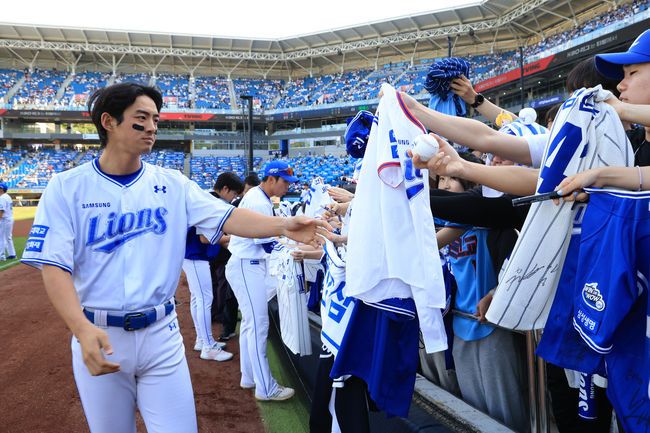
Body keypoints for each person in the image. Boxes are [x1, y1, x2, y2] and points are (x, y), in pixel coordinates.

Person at [20, 82, 329, 433]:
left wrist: (284, 224)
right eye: (141, 118)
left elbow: (228, 217)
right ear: (108, 121)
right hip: (101, 333)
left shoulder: (172, 183)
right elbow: (54, 267)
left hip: (161, 335)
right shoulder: (66, 187)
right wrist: (80, 328)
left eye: (155, 118)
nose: (152, 126)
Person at [225, 160, 299, 402]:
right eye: (284, 182)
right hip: (248, 265)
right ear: (271, 178)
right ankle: (265, 388)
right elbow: (266, 243)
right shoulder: (258, 200)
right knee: (258, 326)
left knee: (250, 325)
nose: (287, 186)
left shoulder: (261, 197)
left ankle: (249, 376)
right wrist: (293, 245)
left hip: (247, 264)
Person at [208, 172, 245, 342]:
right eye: (234, 194)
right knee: (221, 285)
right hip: (208, 253)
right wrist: (236, 237)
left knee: (214, 286)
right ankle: (218, 316)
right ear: (225, 188)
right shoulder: (216, 203)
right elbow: (206, 237)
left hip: (207, 254)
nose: (234, 198)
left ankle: (215, 314)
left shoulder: (208, 198)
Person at [0, 182, 16, 261]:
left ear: (1, 189)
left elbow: (1, 211)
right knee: (8, 237)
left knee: (2, 238)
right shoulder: (7, 196)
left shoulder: (2, 198)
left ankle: (1, 256)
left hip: (5, 219)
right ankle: (12, 254)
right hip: (9, 218)